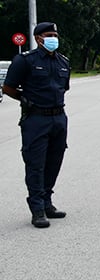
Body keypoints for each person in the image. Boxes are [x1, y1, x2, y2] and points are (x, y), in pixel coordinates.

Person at [2, 22, 71, 228]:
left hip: (59, 118)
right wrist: (27, 100)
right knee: (35, 164)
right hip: (36, 119)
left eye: (56, 35)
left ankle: (47, 201)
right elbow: (8, 88)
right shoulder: (25, 61)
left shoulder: (63, 62)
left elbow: (63, 88)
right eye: (49, 35)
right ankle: (37, 208)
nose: (53, 39)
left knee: (54, 161)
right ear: (38, 38)